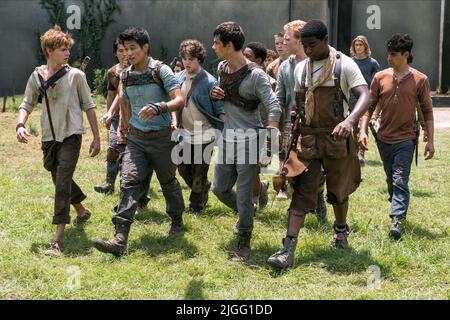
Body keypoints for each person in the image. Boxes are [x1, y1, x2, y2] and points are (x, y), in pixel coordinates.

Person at [267, 20, 371, 269]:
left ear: (325, 40)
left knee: (338, 190)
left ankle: (340, 231)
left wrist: (350, 120)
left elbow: (365, 94)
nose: (308, 50)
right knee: (302, 190)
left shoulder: (345, 65)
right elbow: (297, 105)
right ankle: (288, 249)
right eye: (305, 45)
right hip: (309, 138)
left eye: (312, 45)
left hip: (337, 138)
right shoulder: (300, 69)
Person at [94, 27, 185, 257]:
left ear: (146, 48)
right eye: (125, 49)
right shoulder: (125, 74)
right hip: (136, 139)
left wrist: (159, 107)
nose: (128, 53)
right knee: (129, 182)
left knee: (168, 182)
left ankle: (176, 219)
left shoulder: (161, 70)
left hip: (162, 138)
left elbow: (179, 99)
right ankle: (120, 238)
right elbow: (124, 102)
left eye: (133, 48)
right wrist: (123, 129)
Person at [16, 25, 101, 256]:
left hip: (71, 135)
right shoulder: (36, 76)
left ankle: (57, 240)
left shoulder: (76, 76)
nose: (67, 54)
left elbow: (90, 107)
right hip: (48, 138)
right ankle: (82, 211)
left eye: (68, 50)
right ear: (49, 50)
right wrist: (20, 124)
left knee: (62, 182)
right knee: (57, 176)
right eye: (62, 49)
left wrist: (96, 137)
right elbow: (26, 103)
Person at [210, 22, 281, 262]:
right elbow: (223, 92)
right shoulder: (221, 67)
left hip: (250, 138)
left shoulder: (256, 75)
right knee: (218, 189)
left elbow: (273, 106)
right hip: (228, 137)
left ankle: (244, 242)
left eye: (217, 43)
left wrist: (269, 146)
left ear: (229, 45)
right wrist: (216, 93)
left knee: (242, 194)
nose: (214, 47)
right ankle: (248, 207)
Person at [358, 33, 435, 240]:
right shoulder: (380, 77)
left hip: (406, 139)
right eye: (388, 54)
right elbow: (368, 107)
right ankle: (397, 206)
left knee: (400, 179)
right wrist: (363, 130)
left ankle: (397, 220)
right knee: (391, 181)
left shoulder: (420, 80)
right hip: (383, 138)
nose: (389, 58)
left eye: (393, 55)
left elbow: (427, 112)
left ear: (406, 54)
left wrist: (431, 141)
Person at [97, 39, 153, 212]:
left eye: (128, 50)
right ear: (116, 53)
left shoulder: (140, 71)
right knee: (116, 150)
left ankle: (139, 197)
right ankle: (111, 184)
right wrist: (109, 114)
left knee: (137, 161)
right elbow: (114, 96)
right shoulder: (113, 73)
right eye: (121, 50)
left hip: (137, 120)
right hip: (118, 119)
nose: (125, 54)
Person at [175, 39, 225, 213]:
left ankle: (196, 206)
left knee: (199, 172)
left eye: (191, 58)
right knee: (182, 167)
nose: (187, 62)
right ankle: (204, 187)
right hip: (185, 132)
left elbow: (220, 109)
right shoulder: (178, 78)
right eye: (184, 58)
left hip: (205, 133)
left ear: (199, 59)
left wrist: (224, 131)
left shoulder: (209, 82)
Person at [349, 35, 380, 165]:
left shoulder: (372, 63)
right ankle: (353, 151)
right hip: (351, 97)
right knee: (352, 126)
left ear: (365, 46)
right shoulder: (350, 62)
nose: (358, 47)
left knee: (363, 124)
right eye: (356, 45)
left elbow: (376, 81)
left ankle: (361, 152)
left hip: (365, 98)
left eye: (361, 45)